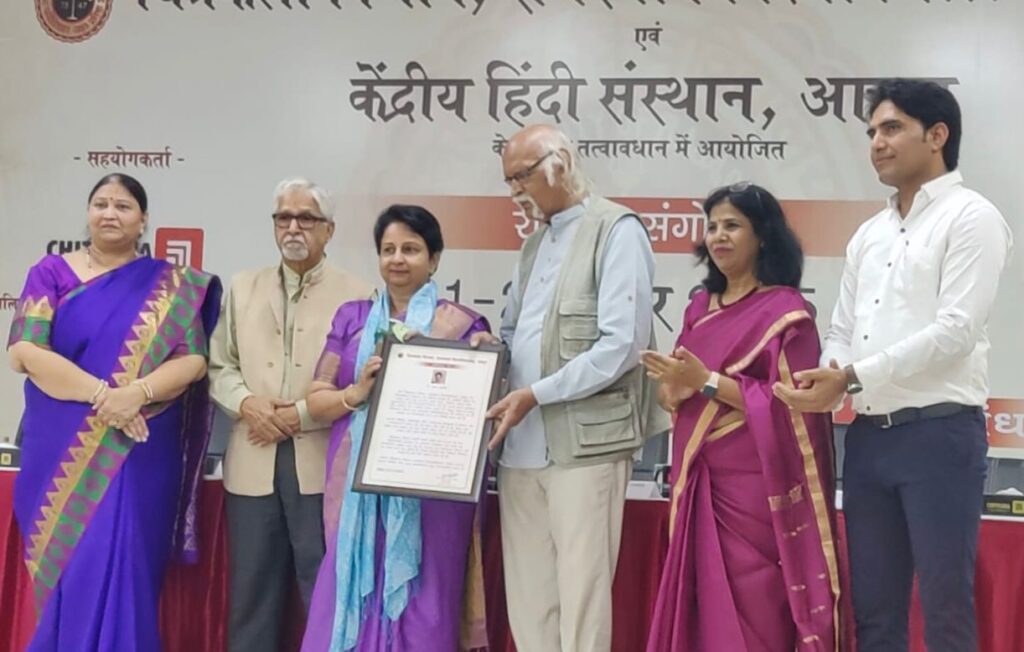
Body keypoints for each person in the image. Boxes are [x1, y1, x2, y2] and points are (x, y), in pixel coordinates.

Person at [775, 79, 1013, 652]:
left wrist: (851, 378)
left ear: (937, 136)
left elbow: (955, 332)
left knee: (944, 604)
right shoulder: (869, 234)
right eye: (871, 132)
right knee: (874, 610)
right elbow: (841, 329)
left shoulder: (971, 217)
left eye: (891, 128)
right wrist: (828, 376)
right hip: (869, 441)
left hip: (940, 435)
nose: (877, 143)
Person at [7, 173, 221, 651]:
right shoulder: (51, 272)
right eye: (100, 203)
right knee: (72, 565)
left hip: (140, 445)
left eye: (123, 206)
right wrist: (106, 396)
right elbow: (24, 351)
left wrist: (137, 393)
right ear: (87, 212)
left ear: (143, 220)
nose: (110, 213)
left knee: (125, 560)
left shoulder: (172, 287)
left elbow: (193, 360)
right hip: (59, 447)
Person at [476, 124, 665, 652]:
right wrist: (487, 353)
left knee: (581, 601)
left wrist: (536, 393)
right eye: (508, 180)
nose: (515, 191)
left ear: (558, 163)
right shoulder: (536, 242)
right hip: (519, 447)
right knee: (530, 602)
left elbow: (622, 345)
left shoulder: (616, 229)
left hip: (585, 448)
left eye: (522, 176)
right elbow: (515, 331)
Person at [642, 182, 841, 652]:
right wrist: (672, 387)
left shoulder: (787, 315)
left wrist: (705, 380)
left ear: (763, 236)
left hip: (755, 490)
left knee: (754, 611)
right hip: (698, 480)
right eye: (711, 227)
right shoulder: (698, 307)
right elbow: (679, 391)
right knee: (699, 606)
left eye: (732, 226)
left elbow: (792, 404)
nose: (718, 237)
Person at [300, 204, 490, 652]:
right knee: (346, 582)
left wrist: (486, 362)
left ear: (435, 259)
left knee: (426, 598)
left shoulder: (463, 325)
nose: (398, 259)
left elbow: (479, 405)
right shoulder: (352, 318)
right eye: (388, 250)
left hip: (431, 493)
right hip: (357, 486)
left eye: (411, 249)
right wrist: (356, 393)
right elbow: (316, 398)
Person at [208, 178, 373, 652]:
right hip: (252, 456)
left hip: (322, 463)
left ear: (330, 230)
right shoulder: (242, 286)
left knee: (322, 590)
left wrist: (299, 414)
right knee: (252, 593)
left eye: (307, 218)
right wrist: (248, 404)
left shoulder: (358, 294)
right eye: (284, 218)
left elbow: (359, 380)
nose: (293, 227)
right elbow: (220, 364)